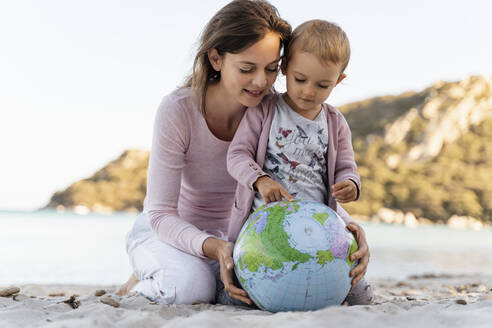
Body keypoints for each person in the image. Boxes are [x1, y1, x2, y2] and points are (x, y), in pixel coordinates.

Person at [116, 0, 291, 306]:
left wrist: (347, 228)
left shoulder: (276, 113)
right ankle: (144, 283)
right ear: (216, 58)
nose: (261, 82)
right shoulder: (178, 110)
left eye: (272, 69)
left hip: (233, 238)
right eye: (247, 68)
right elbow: (160, 214)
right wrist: (213, 247)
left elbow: (301, 182)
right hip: (170, 234)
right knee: (190, 290)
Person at [226, 19, 373, 305]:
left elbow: (346, 165)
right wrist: (261, 180)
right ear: (284, 69)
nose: (308, 91)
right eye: (300, 79)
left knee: (359, 295)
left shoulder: (335, 122)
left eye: (322, 85)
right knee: (236, 297)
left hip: (317, 231)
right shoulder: (265, 110)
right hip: (264, 229)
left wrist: (351, 185)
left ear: (339, 80)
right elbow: (236, 155)